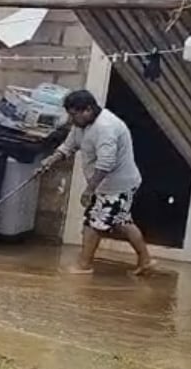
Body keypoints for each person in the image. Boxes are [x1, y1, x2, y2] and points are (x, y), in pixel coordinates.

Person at [40, 89, 154, 276]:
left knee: (93, 223)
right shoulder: (80, 125)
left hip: (117, 185)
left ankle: (84, 265)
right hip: (105, 185)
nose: (71, 120)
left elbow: (106, 163)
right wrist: (50, 161)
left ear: (88, 110)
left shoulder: (106, 128)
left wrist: (89, 189)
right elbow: (69, 146)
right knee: (122, 222)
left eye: (74, 114)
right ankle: (146, 260)